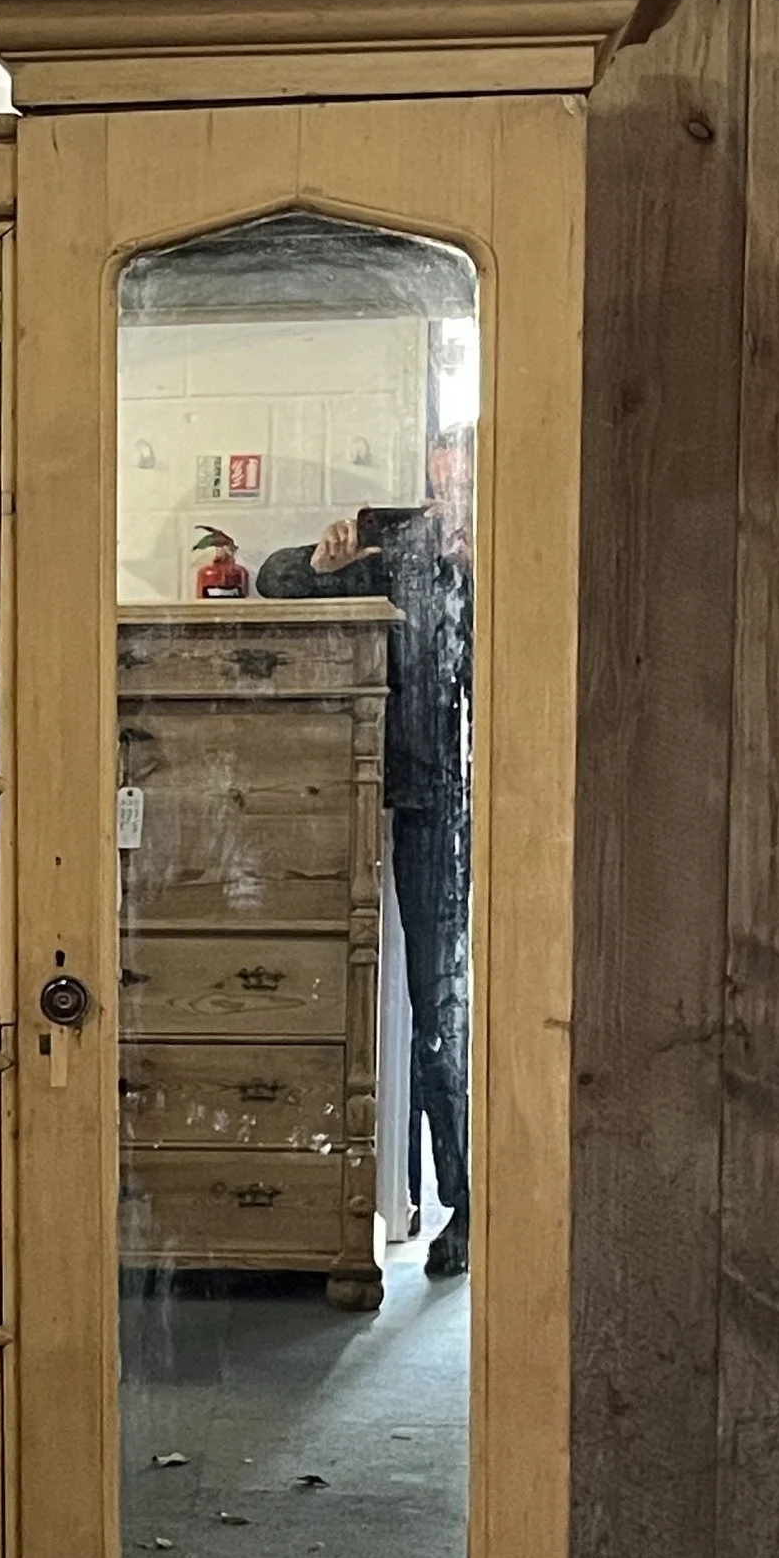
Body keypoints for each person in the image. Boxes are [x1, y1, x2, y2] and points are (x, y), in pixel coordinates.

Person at [254, 467, 473, 1277]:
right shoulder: (387, 559)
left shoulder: (492, 572)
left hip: (443, 810)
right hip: (356, 793)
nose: (447, 498)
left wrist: (478, 568)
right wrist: (323, 563)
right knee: (348, 994)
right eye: (438, 481)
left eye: (463, 482)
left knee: (439, 1010)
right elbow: (272, 581)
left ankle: (465, 1204)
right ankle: (378, 1197)